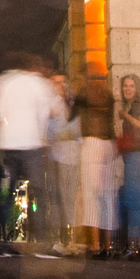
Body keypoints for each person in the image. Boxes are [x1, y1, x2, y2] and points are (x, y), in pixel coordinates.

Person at [0, 54, 63, 253]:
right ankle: (43, 240)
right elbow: (53, 109)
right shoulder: (37, 82)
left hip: (6, 145)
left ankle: (1, 241)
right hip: (32, 144)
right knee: (40, 192)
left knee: (6, 194)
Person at [75, 75, 118, 257]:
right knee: (107, 198)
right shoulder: (108, 97)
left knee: (91, 198)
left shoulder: (84, 96)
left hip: (91, 145)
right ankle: (108, 246)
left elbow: (76, 119)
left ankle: (95, 245)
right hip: (108, 145)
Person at [116, 74, 140, 261]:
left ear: (137, 88)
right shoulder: (131, 107)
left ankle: (133, 247)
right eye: (125, 86)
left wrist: (126, 117)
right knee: (139, 203)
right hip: (134, 157)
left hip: (138, 157)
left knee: (133, 203)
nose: (127, 89)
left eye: (131, 86)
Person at [47, 73, 82, 255]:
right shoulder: (50, 104)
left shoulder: (73, 105)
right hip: (56, 158)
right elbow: (48, 133)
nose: (60, 86)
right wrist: (63, 135)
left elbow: (78, 132)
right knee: (57, 201)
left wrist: (67, 135)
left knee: (69, 201)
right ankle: (57, 241)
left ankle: (69, 241)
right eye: (56, 83)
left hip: (72, 157)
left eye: (63, 82)